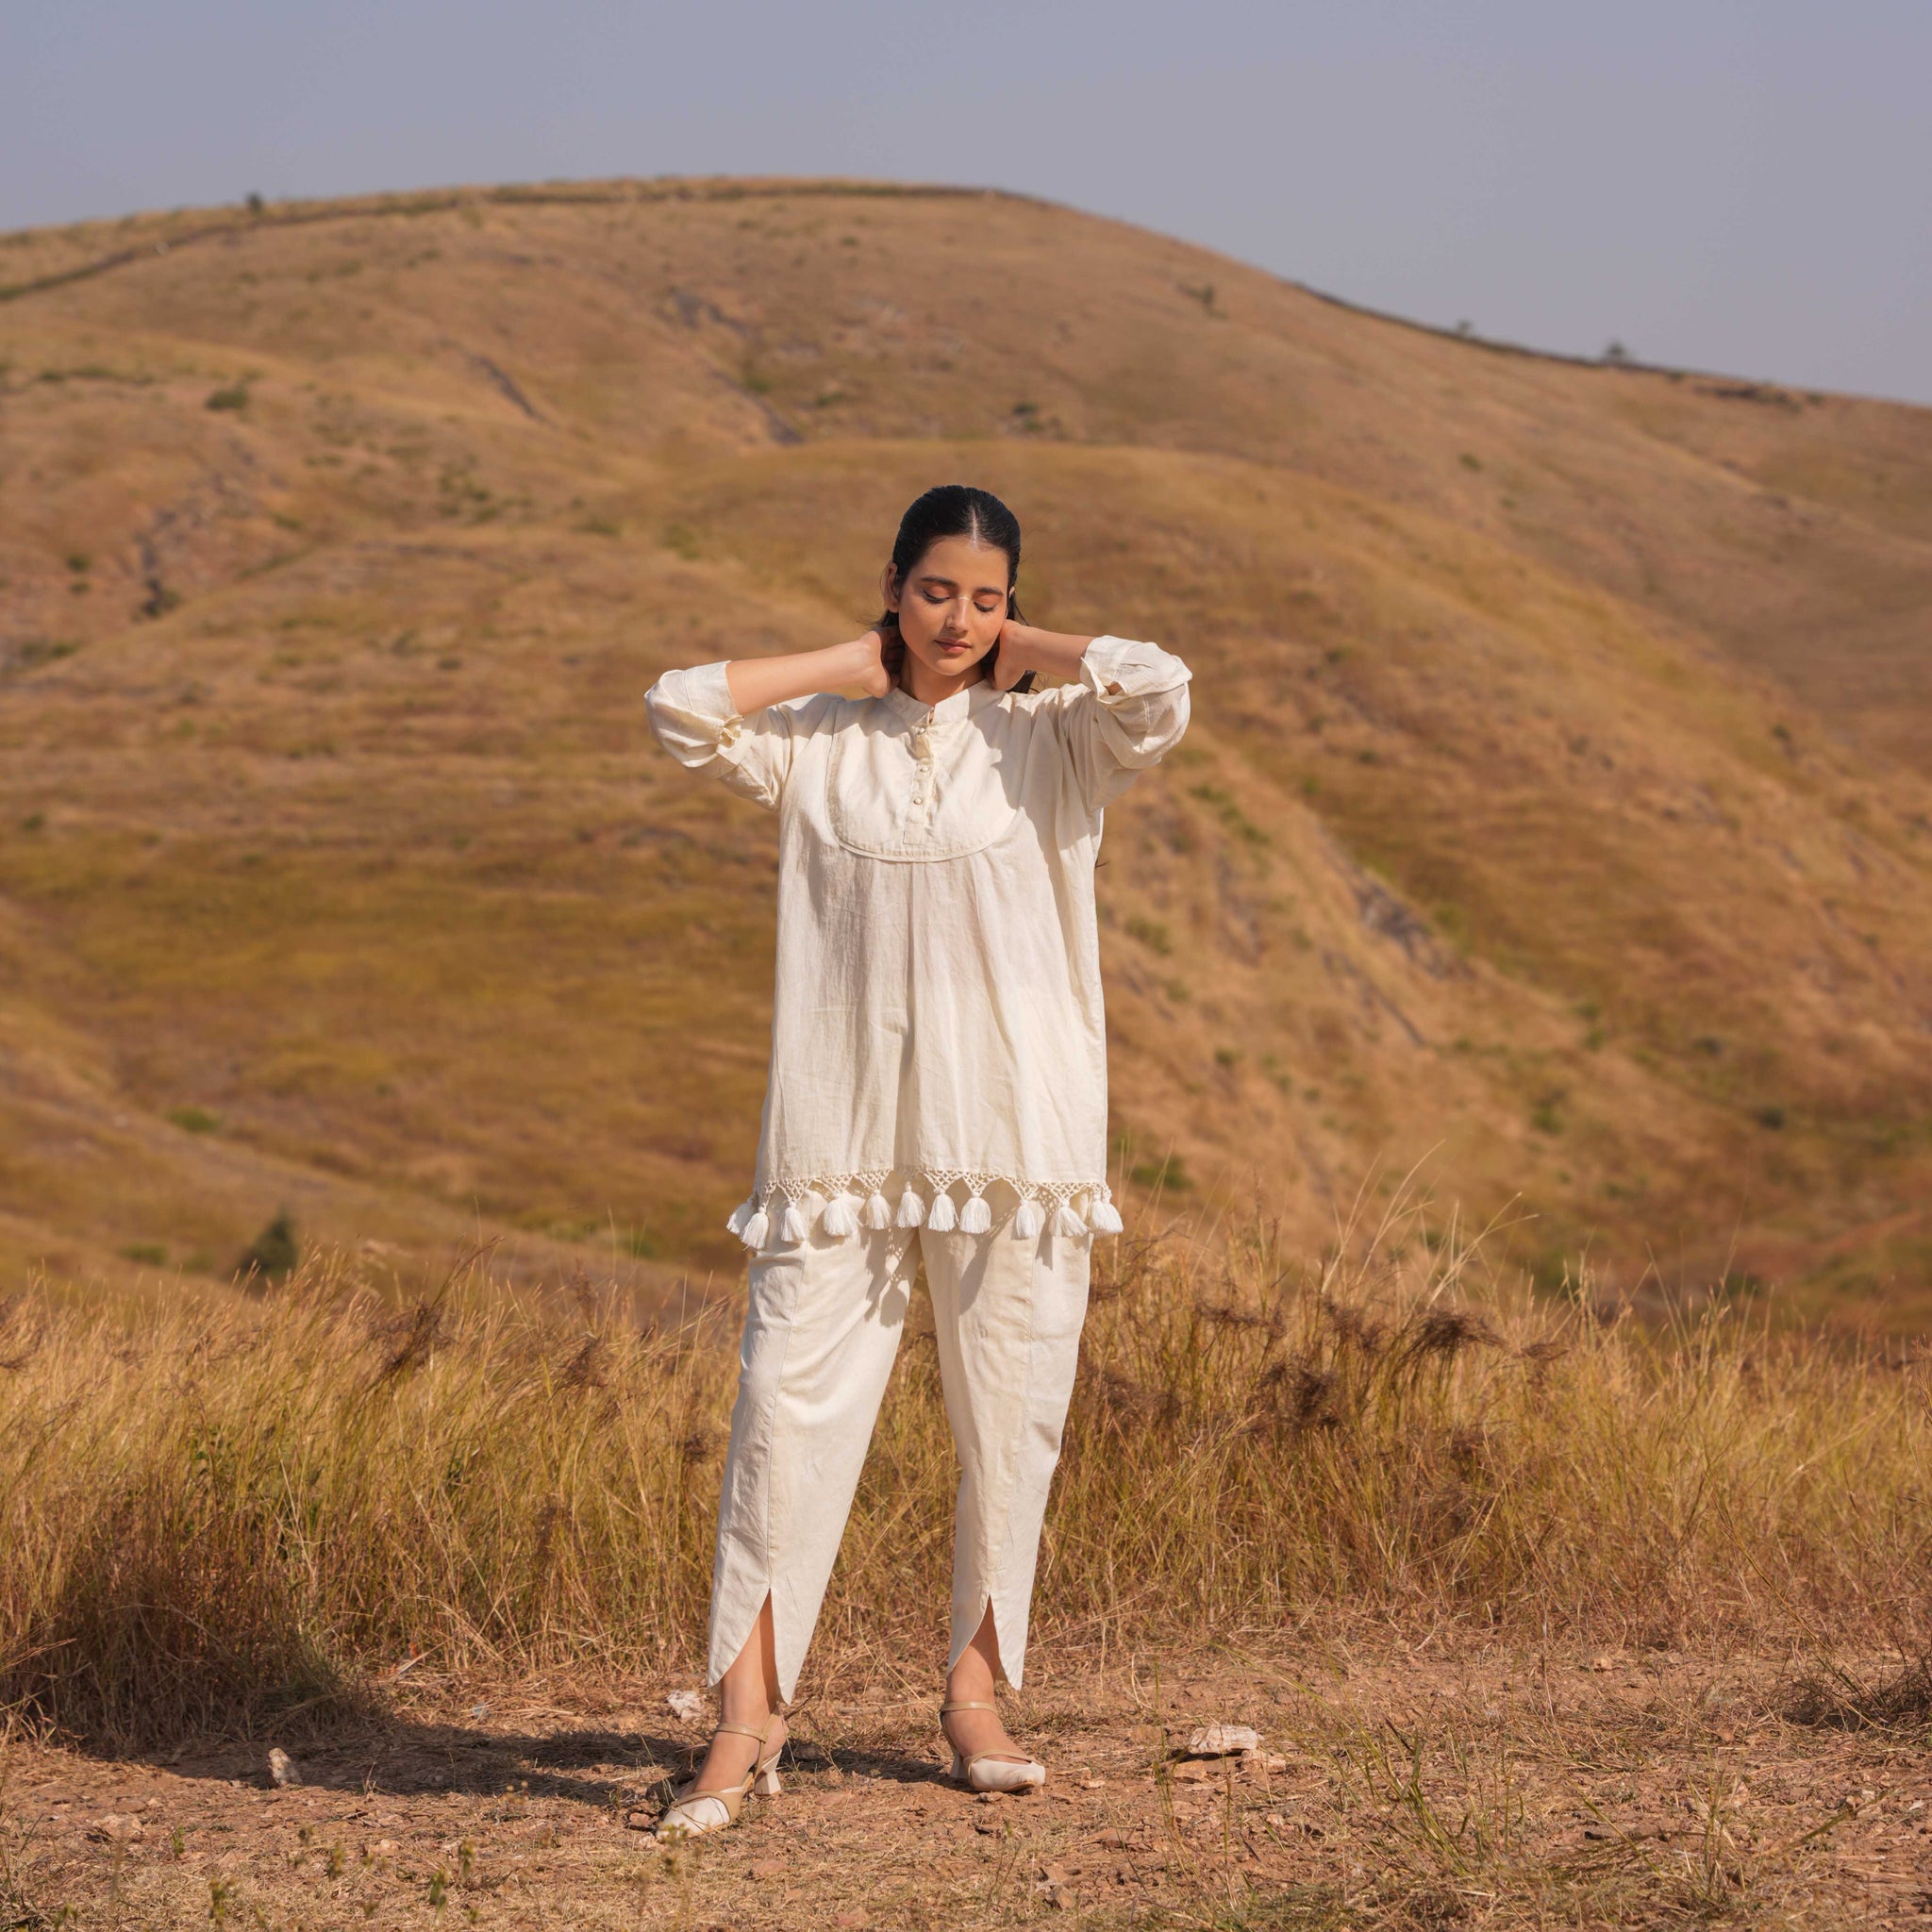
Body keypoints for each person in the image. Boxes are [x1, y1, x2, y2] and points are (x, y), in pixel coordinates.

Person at [641, 484, 1191, 1840]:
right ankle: (746, 1722)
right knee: (782, 1413)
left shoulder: (1056, 741)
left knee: (1011, 1414)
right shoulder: (818, 743)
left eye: (985, 598)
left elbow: (1161, 684)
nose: (959, 619)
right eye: (937, 591)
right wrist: (853, 657)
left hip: (1016, 1136)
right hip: (839, 1142)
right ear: (893, 585)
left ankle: (974, 1699)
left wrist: (1025, 650)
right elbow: (680, 705)